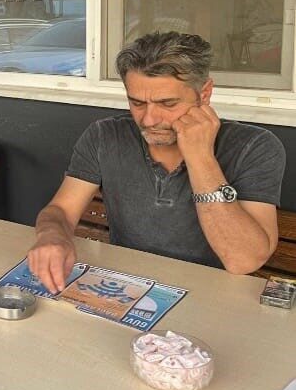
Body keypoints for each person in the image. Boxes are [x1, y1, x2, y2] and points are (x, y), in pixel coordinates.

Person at [27, 31, 284, 293]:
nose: (149, 119)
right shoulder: (105, 135)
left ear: (204, 94)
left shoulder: (254, 146)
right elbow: (60, 210)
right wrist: (53, 236)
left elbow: (244, 260)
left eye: (167, 103)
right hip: (126, 287)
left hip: (214, 298)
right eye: (137, 103)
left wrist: (200, 157)